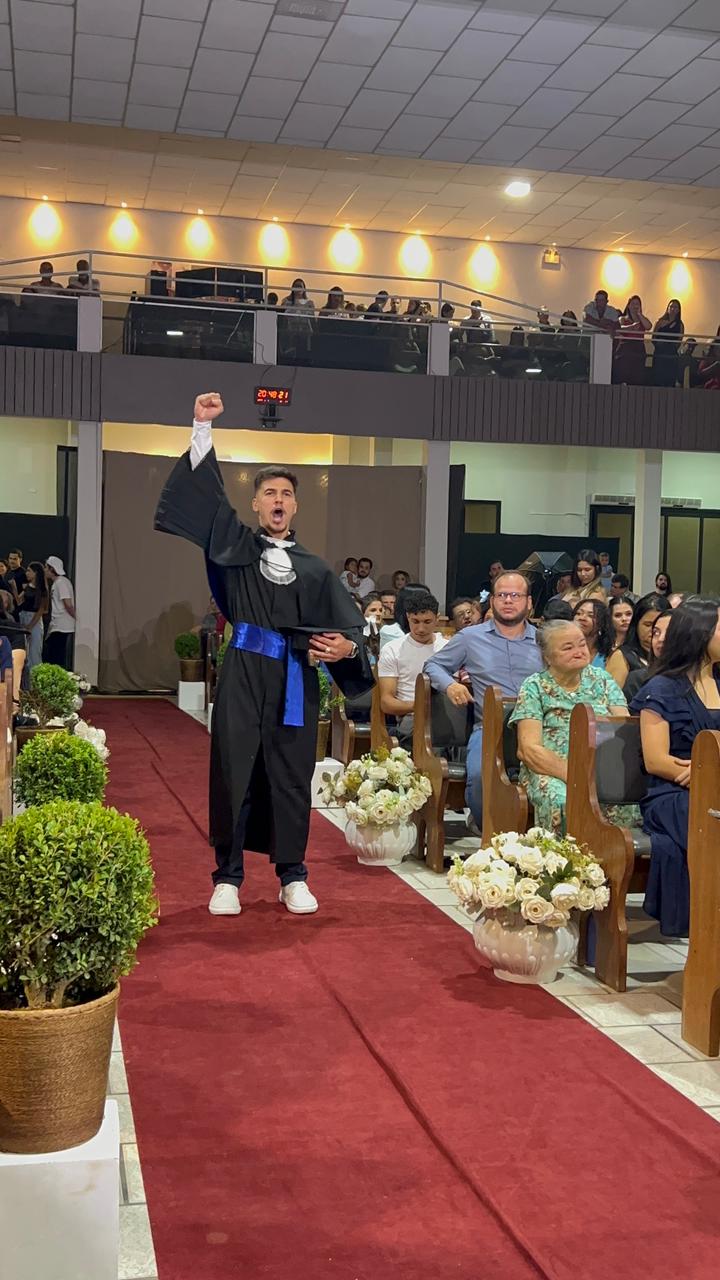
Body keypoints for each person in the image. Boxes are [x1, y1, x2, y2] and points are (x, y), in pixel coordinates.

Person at [154, 392, 372, 918]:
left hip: (296, 679)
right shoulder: (235, 549)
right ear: (256, 504)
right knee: (234, 769)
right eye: (269, 492)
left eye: (286, 494)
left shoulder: (316, 569)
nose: (278, 500)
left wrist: (346, 646)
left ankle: (292, 875)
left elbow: (350, 630)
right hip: (243, 672)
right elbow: (207, 502)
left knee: (291, 776)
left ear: (295, 506)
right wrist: (201, 427)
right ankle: (227, 877)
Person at [630, 598, 720, 936]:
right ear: (700, 633)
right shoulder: (662, 688)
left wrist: (708, 775)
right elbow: (656, 760)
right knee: (706, 817)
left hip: (711, 784)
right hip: (672, 792)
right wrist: (702, 776)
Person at [424, 572, 542, 827]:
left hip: (537, 728)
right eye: (502, 595)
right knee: (479, 778)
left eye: (515, 595)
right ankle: (488, 829)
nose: (508, 601)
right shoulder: (470, 637)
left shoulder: (544, 641)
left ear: (529, 602)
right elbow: (432, 666)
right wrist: (450, 685)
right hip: (489, 728)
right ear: (492, 601)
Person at [510, 620, 630, 833]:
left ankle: (612, 854)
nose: (579, 651)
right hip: (551, 770)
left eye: (582, 644)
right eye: (568, 648)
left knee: (626, 800)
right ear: (547, 656)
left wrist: (600, 774)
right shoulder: (534, 686)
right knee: (562, 799)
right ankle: (560, 854)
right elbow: (528, 749)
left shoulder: (602, 680)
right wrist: (576, 776)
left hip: (601, 767)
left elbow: (624, 728)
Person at [377, 591, 445, 745]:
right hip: (410, 715)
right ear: (408, 617)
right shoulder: (393, 649)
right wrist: (419, 706)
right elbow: (386, 702)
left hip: (445, 713)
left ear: (437, 618)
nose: (421, 628)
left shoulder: (447, 648)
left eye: (427, 622)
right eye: (415, 621)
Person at [606, 592, 670, 690]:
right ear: (636, 624)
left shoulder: (675, 657)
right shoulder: (621, 656)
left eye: (662, 627)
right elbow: (609, 696)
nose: (654, 631)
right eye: (648, 625)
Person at [623, 610, 672, 703]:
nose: (661, 639)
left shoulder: (695, 679)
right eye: (656, 632)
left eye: (669, 632)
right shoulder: (638, 679)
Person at [44, 556, 75, 668]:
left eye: (46, 567)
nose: (44, 570)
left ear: (52, 569)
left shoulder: (61, 582)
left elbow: (67, 603)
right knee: (53, 654)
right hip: (57, 624)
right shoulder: (57, 583)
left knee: (56, 656)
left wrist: (76, 617)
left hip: (62, 625)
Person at [612, 295, 651, 385]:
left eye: (637, 304)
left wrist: (639, 314)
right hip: (626, 347)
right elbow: (619, 328)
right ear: (628, 305)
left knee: (637, 375)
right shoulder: (623, 318)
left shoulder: (642, 319)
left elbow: (648, 326)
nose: (635, 306)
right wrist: (631, 327)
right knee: (624, 373)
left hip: (639, 347)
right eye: (633, 304)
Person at [18, 561, 48, 670]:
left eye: (29, 571)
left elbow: (41, 610)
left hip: (34, 619)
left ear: (35, 573)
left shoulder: (43, 590)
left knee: (35, 650)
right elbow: (19, 601)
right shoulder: (27, 587)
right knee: (25, 650)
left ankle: (35, 674)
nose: (27, 573)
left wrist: (30, 626)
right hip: (23, 616)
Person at [652, 300, 684, 387]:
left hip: (671, 354)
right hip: (660, 353)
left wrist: (671, 347)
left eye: (675, 307)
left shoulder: (680, 325)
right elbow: (653, 338)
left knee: (669, 379)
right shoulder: (659, 322)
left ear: (679, 310)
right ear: (667, 308)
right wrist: (660, 345)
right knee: (658, 378)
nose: (673, 309)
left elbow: (679, 340)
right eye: (671, 307)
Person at [572, 598, 612, 667]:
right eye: (578, 613)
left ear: (601, 623)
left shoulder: (610, 654)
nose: (582, 618)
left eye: (591, 616)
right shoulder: (564, 649)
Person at [5, 548, 26, 619]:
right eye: (10, 558)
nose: (12, 561)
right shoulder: (8, 573)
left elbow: (25, 593)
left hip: (18, 611)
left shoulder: (23, 574)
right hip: (8, 609)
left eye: (15, 559)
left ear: (20, 559)